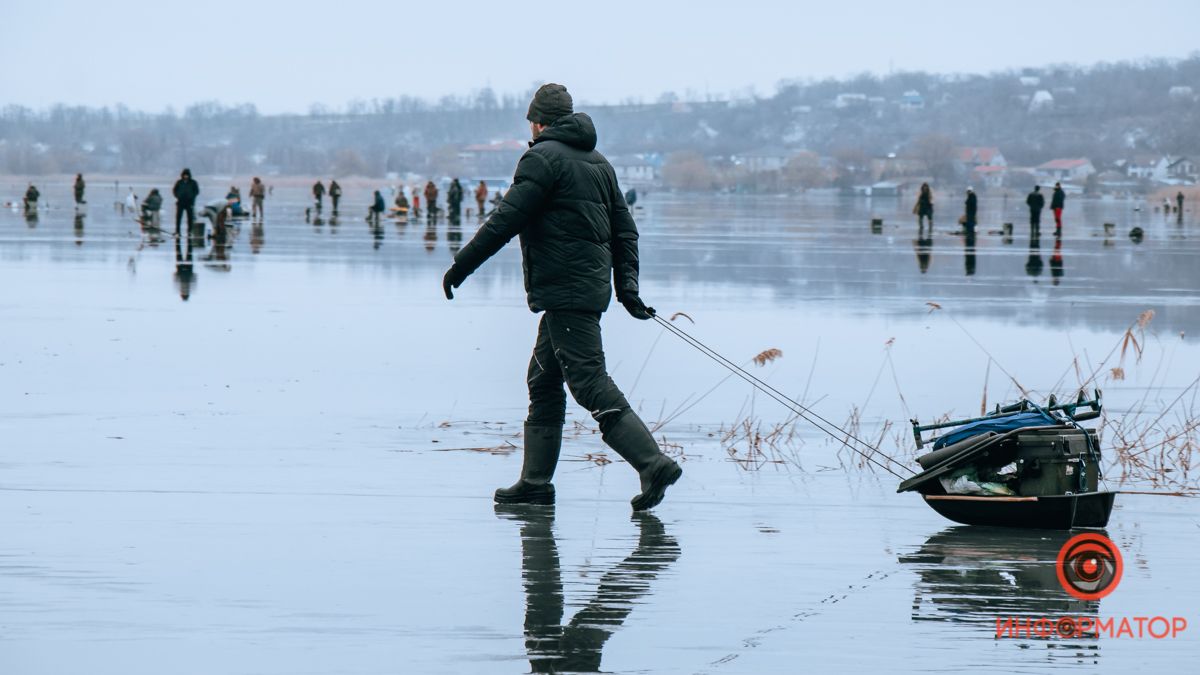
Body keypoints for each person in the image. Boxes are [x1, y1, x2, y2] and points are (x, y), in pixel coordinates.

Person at [442, 83, 682, 512]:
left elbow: (506, 219)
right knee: (544, 380)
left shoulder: (542, 158)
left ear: (538, 121)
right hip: (582, 291)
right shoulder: (599, 163)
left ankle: (652, 462)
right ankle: (535, 483)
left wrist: (462, 266)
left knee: (589, 382)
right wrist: (627, 290)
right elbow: (625, 231)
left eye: (531, 121)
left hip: (565, 291)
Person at [172, 168, 200, 235]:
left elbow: (196, 191)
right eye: (184, 175)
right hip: (180, 202)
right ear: (182, 175)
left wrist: (192, 197)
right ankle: (177, 231)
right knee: (178, 218)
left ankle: (189, 231)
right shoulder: (179, 182)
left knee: (190, 218)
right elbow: (174, 190)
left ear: (189, 175)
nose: (186, 176)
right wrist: (178, 196)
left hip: (189, 202)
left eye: (187, 175)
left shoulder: (193, 182)